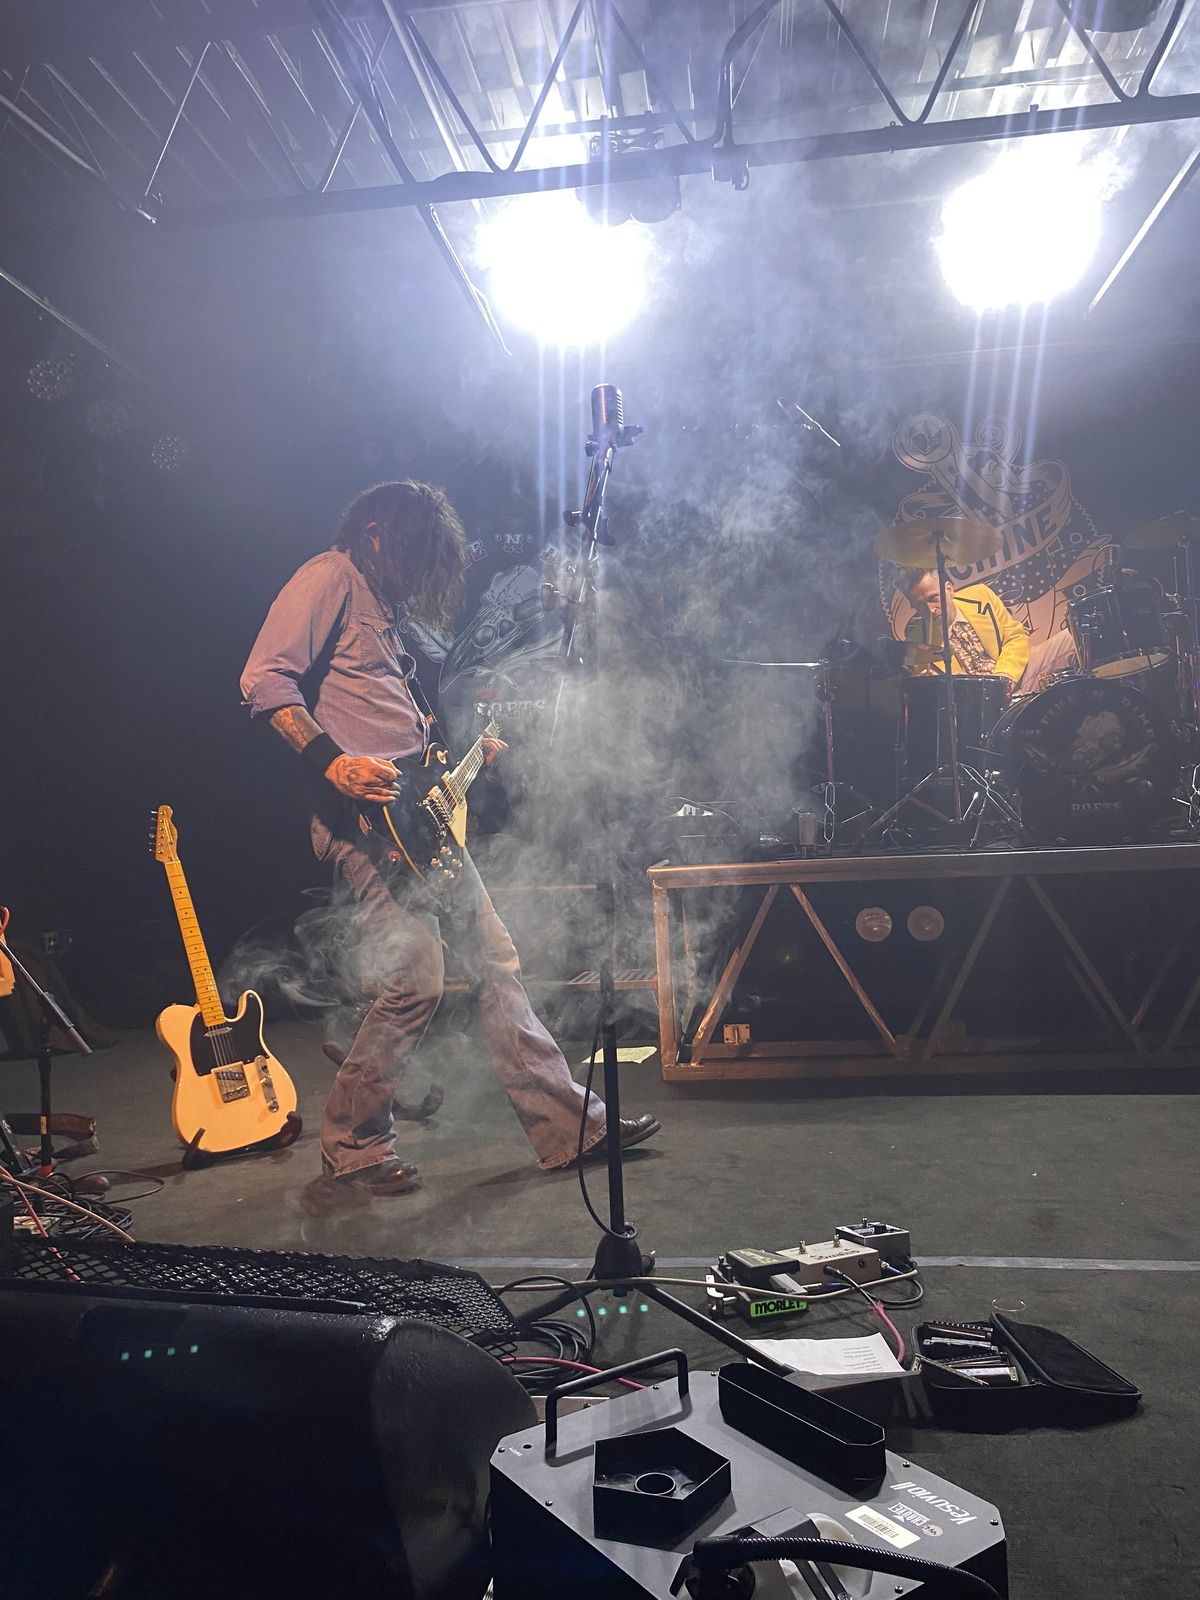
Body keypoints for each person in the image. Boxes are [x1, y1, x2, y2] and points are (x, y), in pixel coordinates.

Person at [240, 480, 660, 1195]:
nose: (418, 569)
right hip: (369, 823)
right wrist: (334, 764)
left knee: (493, 962)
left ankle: (570, 1128)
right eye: (413, 550)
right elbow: (264, 680)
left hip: (417, 816)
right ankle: (353, 1145)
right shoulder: (329, 575)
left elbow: (394, 722)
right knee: (416, 979)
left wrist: (462, 765)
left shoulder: (386, 610)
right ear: (376, 533)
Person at [898, 568, 1077, 692]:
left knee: (1070, 638)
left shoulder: (981, 595)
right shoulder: (916, 643)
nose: (930, 609)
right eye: (920, 605)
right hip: (982, 704)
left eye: (933, 598)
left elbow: (1015, 636)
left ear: (949, 590)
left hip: (1017, 673)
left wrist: (1004, 676)